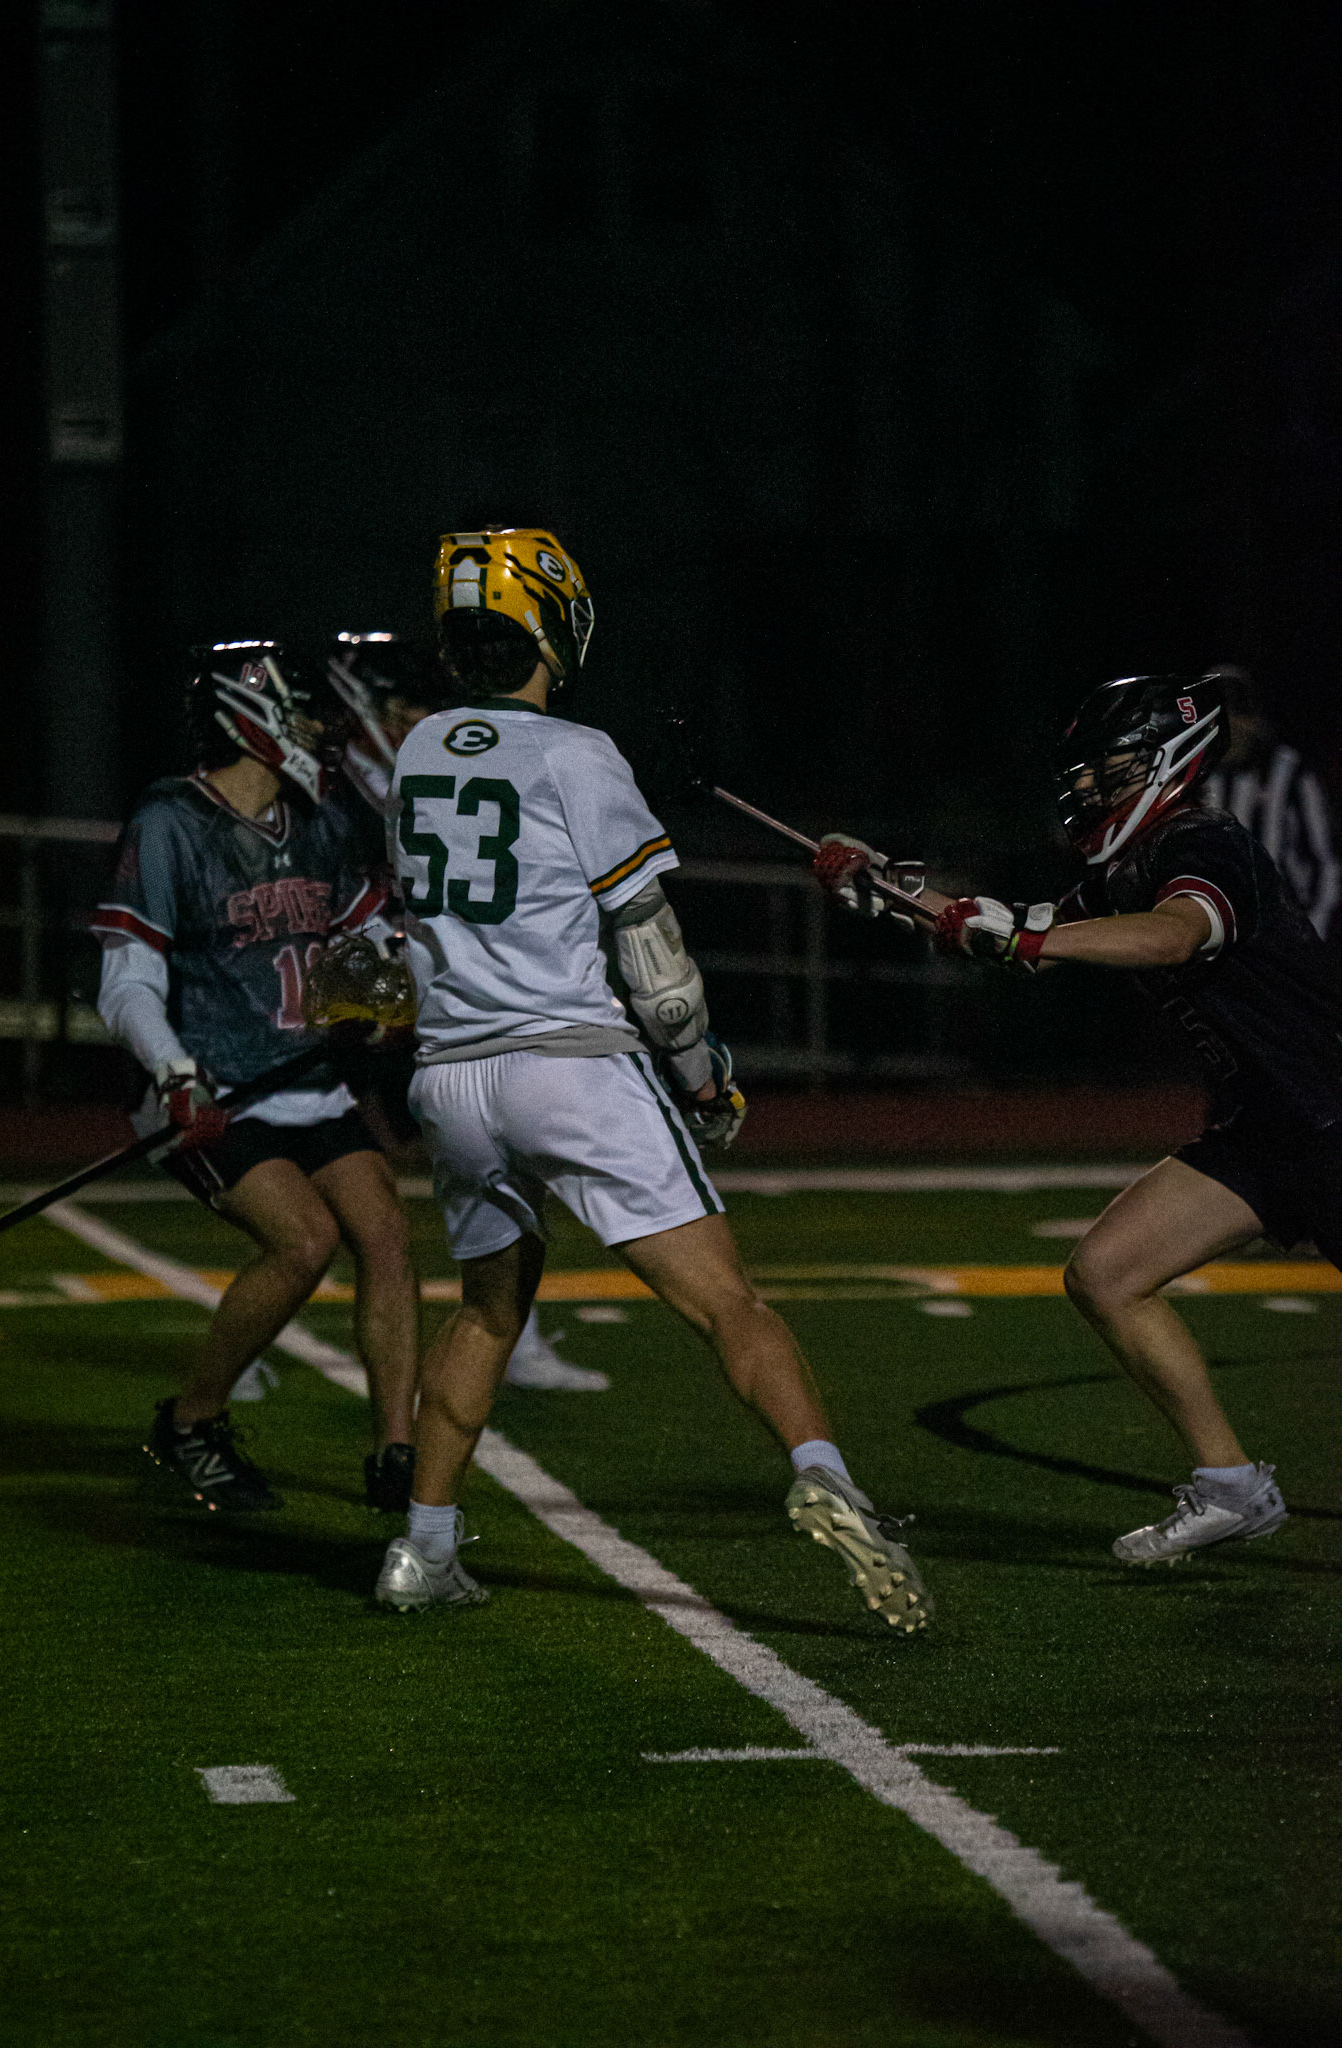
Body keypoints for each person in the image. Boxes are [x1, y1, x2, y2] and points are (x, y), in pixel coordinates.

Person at [374, 527, 932, 1631]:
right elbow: (651, 952)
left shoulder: (419, 747)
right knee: (729, 1303)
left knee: (486, 1311)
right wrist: (701, 1073)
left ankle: (421, 1547)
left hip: (452, 1077)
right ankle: (828, 1478)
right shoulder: (578, 753)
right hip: (567, 1068)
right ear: (556, 624)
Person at [815, 672, 1342, 1565]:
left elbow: (1173, 934)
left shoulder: (1200, 839)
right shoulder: (1128, 864)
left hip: (1328, 1117)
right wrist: (887, 892)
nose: (1091, 783)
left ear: (1168, 758)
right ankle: (1230, 1486)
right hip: (1267, 1127)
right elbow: (1021, 938)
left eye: (1111, 766)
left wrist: (1027, 935)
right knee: (1106, 1273)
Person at [93, 641, 420, 1514]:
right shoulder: (171, 821)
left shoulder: (320, 817)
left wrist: (378, 1000)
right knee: (303, 1241)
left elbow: (355, 937)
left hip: (306, 1080)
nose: (319, 730)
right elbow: (126, 980)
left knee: (385, 1233)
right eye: (303, 713)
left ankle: (397, 1453)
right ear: (252, 716)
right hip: (214, 1085)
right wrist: (174, 1074)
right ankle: (191, 1420)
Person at [327, 629, 608, 1394]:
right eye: (407, 706)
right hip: (365, 990)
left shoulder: (417, 771)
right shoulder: (338, 786)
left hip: (433, 996)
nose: (421, 720)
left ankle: (516, 1338)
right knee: (317, 1174)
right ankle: (253, 1337)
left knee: (498, 1167)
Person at [1199, 663, 1340, 940]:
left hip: (1282, 930)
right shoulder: (1189, 775)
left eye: (1238, 713)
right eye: (1220, 716)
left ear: (1255, 719)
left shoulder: (1289, 771)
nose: (1231, 726)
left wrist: (1313, 930)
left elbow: (1326, 862)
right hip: (1209, 931)